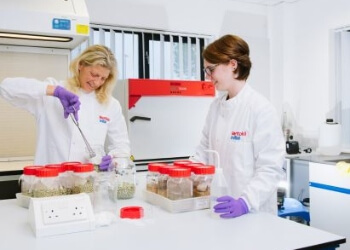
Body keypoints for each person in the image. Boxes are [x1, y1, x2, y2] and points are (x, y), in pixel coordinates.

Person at [190, 34, 285, 218]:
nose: (208, 77)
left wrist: (245, 202)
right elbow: (203, 150)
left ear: (232, 64)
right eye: (206, 71)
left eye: (211, 69)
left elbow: (271, 168)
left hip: (254, 213)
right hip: (219, 208)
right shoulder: (216, 107)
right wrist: (185, 172)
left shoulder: (260, 109)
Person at [0, 45, 131, 171]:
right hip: (51, 183)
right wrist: (54, 91)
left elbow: (122, 148)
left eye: (103, 78)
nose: (97, 82)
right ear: (81, 65)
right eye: (94, 74)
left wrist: (113, 162)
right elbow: (5, 88)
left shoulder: (110, 104)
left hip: (88, 183)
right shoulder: (51, 94)